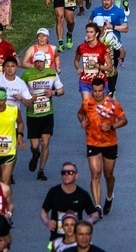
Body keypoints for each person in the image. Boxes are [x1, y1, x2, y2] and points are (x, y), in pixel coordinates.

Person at [76, 76, 125, 215]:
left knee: (108, 175)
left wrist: (111, 126)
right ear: (92, 91)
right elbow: (80, 114)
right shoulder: (87, 103)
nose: (97, 94)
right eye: (95, 91)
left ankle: (109, 196)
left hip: (110, 143)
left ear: (104, 90)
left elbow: (124, 120)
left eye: (100, 91)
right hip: (92, 142)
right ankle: (97, 206)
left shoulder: (113, 104)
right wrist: (83, 121)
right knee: (95, 173)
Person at [23, 50, 64, 180]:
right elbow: (22, 93)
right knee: (35, 146)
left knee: (45, 142)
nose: (39, 64)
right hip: (33, 115)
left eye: (41, 61)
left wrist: (53, 93)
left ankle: (41, 170)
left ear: (45, 62)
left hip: (47, 113)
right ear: (33, 62)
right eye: (37, 62)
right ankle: (35, 156)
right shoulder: (27, 74)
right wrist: (29, 98)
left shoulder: (52, 73)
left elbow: (61, 90)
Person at [41, 163, 99, 247]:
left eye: (70, 172)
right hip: (56, 240)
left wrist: (90, 221)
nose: (66, 175)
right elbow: (43, 211)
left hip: (76, 241)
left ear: (76, 176)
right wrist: (47, 222)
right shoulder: (53, 192)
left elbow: (95, 215)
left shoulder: (82, 194)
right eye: (63, 172)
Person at [0, 89, 23, 187]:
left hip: (9, 152)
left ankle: (7, 202)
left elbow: (20, 123)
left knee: (5, 182)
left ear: (5, 99)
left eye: (1, 100)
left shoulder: (14, 110)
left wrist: (20, 135)